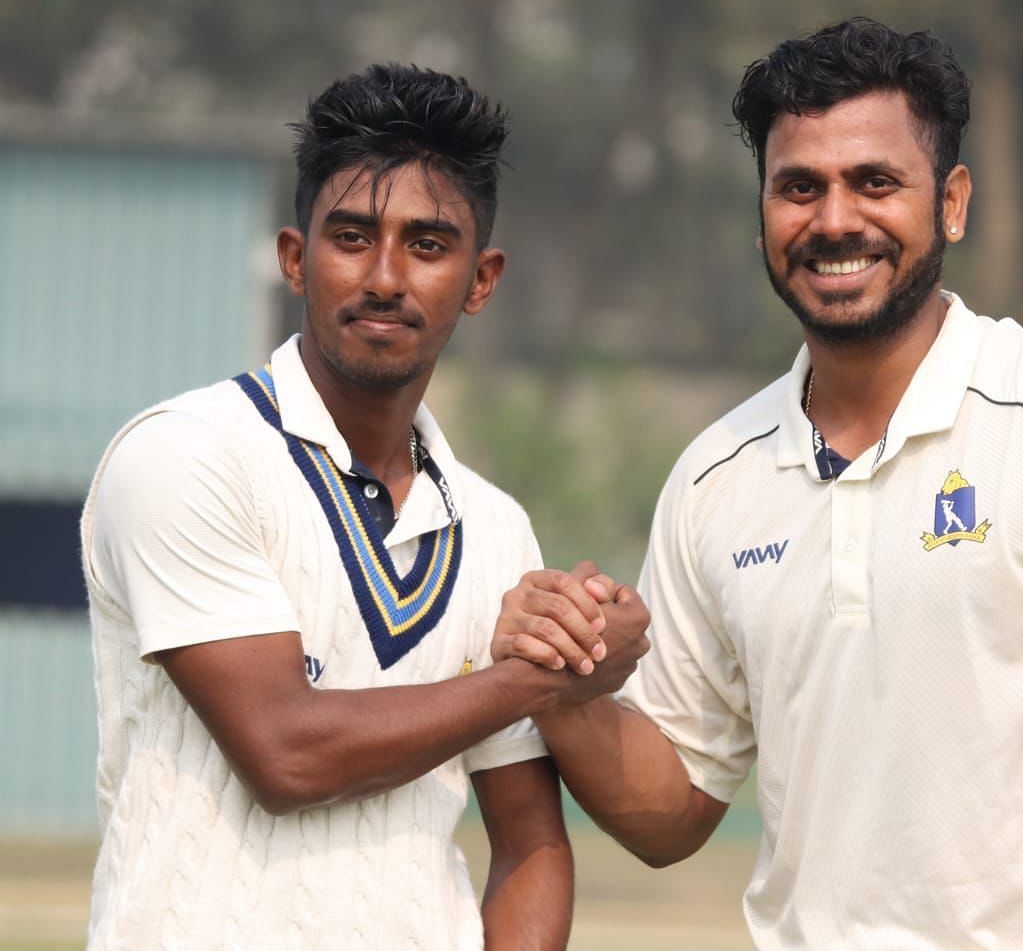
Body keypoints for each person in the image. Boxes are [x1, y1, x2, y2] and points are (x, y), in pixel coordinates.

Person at [493, 18, 1023, 950]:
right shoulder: (715, 478)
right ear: (763, 210)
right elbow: (673, 808)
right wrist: (564, 688)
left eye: (875, 182)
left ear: (953, 202)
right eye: (798, 187)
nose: (835, 220)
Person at [79, 63, 641, 951]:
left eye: (427, 243)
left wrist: (582, 639)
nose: (385, 276)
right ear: (295, 258)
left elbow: (530, 843)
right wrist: (545, 675)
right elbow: (286, 754)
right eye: (351, 236)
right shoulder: (185, 454)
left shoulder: (495, 528)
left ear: (482, 278)